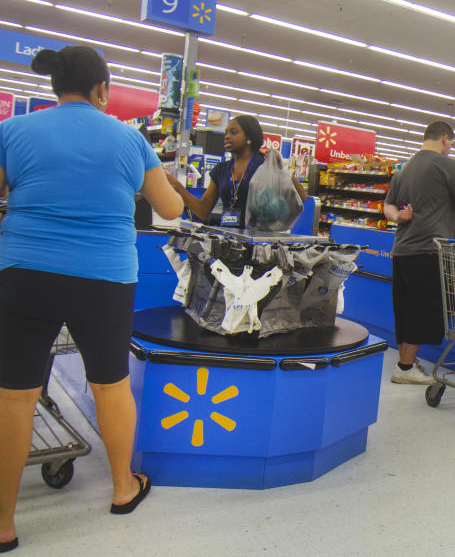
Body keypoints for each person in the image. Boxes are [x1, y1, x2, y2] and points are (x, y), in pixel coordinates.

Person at [0, 46, 184, 552]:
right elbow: (168, 208)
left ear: (56, 87)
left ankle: (4, 523)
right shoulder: (129, 138)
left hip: (25, 271)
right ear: (103, 90)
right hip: (103, 277)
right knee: (110, 383)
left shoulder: (13, 131)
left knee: (15, 395)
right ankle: (123, 487)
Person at [383, 121, 455, 385]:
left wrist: (398, 216)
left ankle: (406, 364)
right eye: (451, 144)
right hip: (427, 250)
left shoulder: (405, 168)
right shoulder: (446, 165)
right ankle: (404, 367)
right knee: (422, 309)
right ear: (446, 139)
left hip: (402, 250)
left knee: (406, 308)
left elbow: (387, 205)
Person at [165, 115, 306, 229]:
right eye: (226, 132)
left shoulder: (264, 166)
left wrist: (281, 167)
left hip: (259, 243)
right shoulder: (221, 170)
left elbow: (301, 197)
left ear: (249, 138)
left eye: (234, 132)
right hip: (230, 242)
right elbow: (203, 211)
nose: (227, 136)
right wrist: (177, 187)